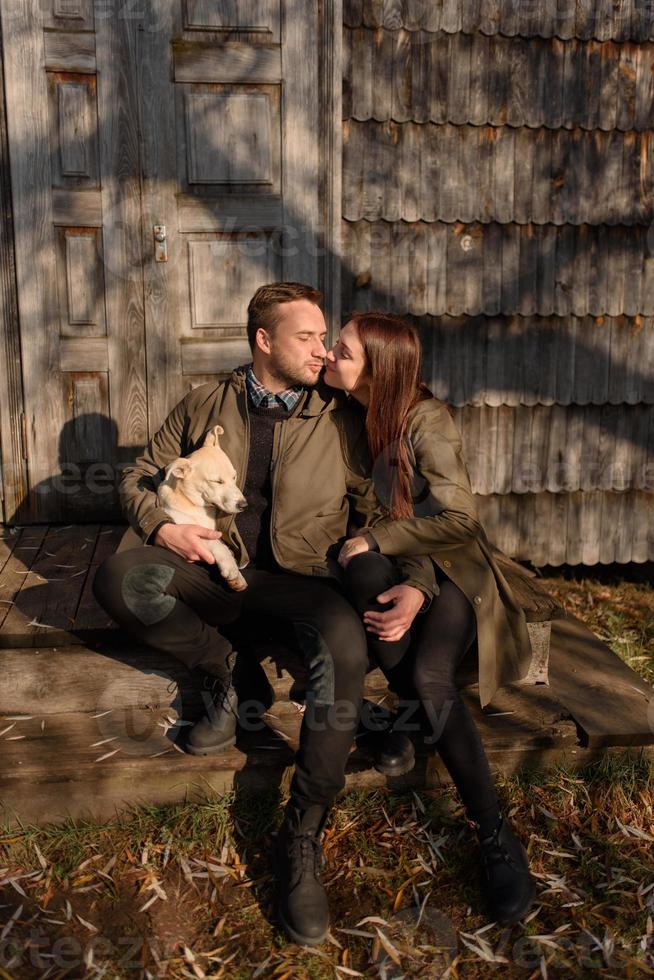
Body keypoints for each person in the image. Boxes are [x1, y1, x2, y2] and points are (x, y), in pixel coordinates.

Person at [92, 283, 436, 947]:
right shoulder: (205, 404)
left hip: (304, 583)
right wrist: (165, 529)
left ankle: (301, 836)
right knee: (120, 577)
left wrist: (416, 579)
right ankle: (220, 669)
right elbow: (138, 477)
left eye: (324, 336)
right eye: (307, 337)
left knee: (343, 644)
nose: (323, 349)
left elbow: (396, 506)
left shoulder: (338, 415)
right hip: (215, 573)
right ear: (263, 340)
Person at [323, 311, 537, 925]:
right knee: (373, 593)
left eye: (342, 349)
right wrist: (402, 575)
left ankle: (494, 835)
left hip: (457, 570)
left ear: (377, 368)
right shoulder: (354, 413)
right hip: (410, 565)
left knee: (431, 675)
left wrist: (416, 579)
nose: (330, 356)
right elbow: (372, 511)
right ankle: (414, 723)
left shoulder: (426, 421)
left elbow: (460, 521)